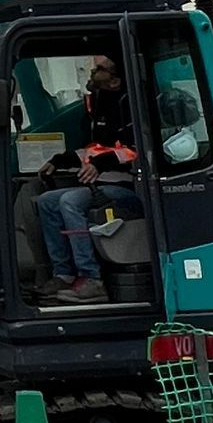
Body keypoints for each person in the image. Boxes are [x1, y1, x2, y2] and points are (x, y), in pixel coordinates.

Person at [34, 55, 142, 304]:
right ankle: (64, 274)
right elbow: (94, 149)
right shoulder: (98, 107)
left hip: (127, 186)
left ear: (115, 81)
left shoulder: (129, 106)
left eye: (101, 69)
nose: (93, 71)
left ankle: (92, 279)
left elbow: (134, 150)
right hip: (101, 183)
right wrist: (60, 160)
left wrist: (98, 165)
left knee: (70, 202)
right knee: (46, 201)